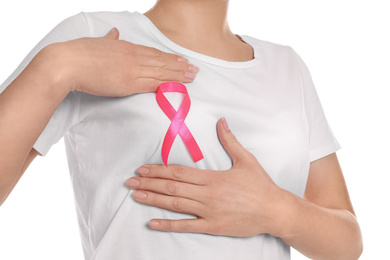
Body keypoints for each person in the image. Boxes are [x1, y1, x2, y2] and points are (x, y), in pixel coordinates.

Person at [0, 0, 362, 259]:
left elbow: (347, 244)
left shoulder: (288, 67)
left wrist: (275, 210)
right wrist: (58, 66)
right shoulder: (95, 34)